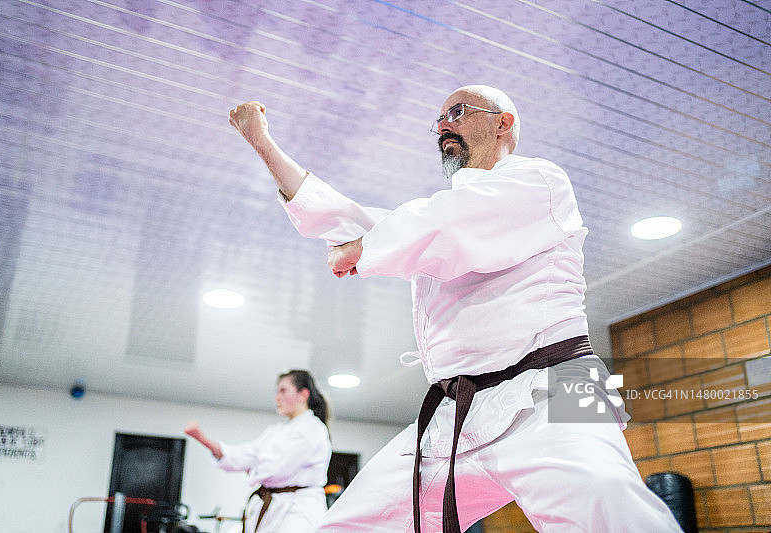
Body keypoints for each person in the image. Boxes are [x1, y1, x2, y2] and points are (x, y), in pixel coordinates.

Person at [227, 86, 682, 532]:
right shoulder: (425, 223)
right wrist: (263, 143)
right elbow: (343, 216)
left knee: (610, 505)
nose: (443, 124)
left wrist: (364, 248)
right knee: (353, 523)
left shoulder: (539, 179)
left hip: (559, 385)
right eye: (439, 119)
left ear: (504, 123)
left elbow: (446, 221)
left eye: (458, 112)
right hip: (459, 409)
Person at [184, 370, 331, 533]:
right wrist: (203, 439)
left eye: (283, 390)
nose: (277, 397)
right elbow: (244, 455)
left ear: (303, 395)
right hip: (273, 507)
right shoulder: (275, 431)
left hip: (299, 511)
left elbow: (276, 470)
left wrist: (253, 468)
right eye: (277, 391)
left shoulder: (312, 429)